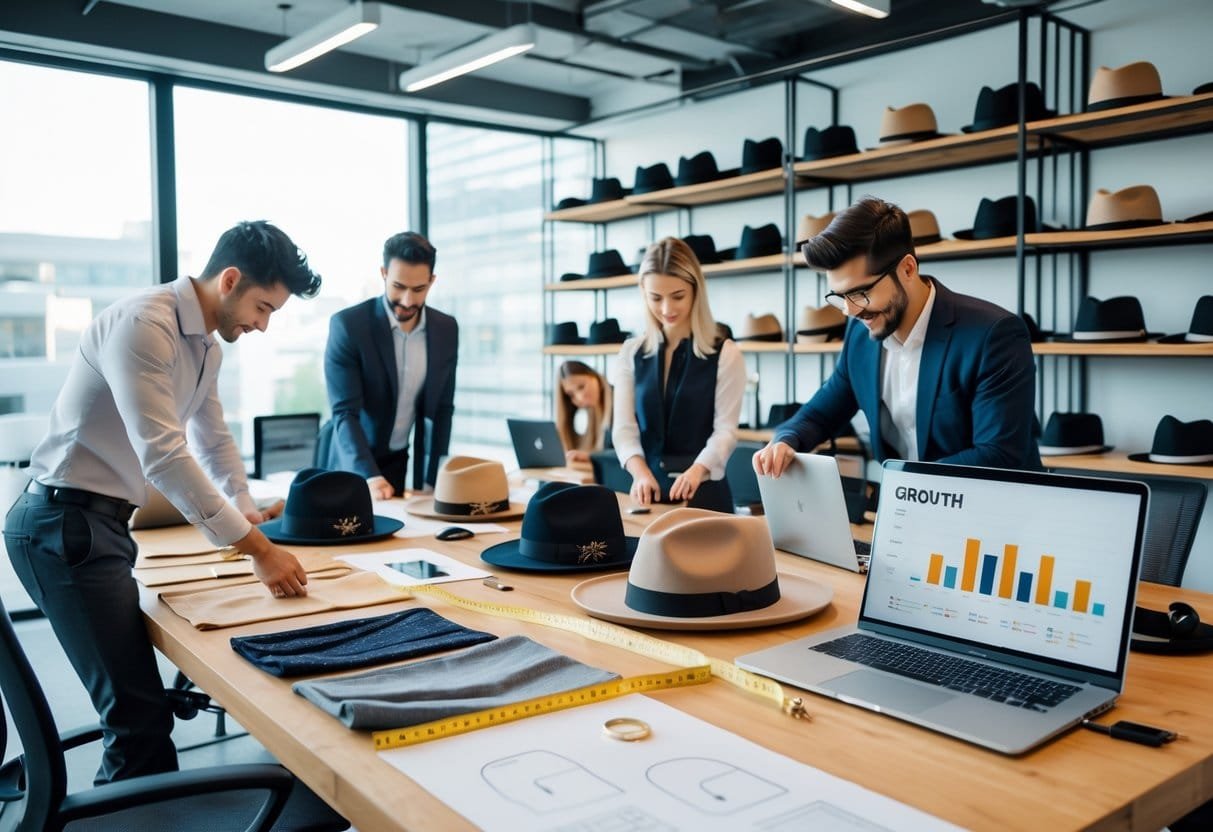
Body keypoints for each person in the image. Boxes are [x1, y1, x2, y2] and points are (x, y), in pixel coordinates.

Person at [3, 220, 321, 784]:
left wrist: (244, 505)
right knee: (139, 721)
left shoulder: (207, 349)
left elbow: (213, 438)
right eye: (264, 307)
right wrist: (257, 549)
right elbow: (166, 456)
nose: (264, 325)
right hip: (61, 525)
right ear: (230, 280)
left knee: (141, 711)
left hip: (96, 525)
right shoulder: (143, 324)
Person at [753, 197, 1040, 479]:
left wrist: (902, 482)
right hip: (907, 510)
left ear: (907, 269)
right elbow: (820, 414)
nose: (850, 311)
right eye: (839, 296)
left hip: (991, 514)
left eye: (860, 293)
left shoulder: (994, 335)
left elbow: (998, 455)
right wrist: (785, 441)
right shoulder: (860, 334)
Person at [613, 237, 746, 511]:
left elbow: (726, 432)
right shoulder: (630, 352)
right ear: (643, 292)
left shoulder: (725, 354)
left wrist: (697, 470)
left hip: (706, 497)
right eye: (655, 298)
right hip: (648, 497)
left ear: (696, 291)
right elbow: (624, 430)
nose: (666, 309)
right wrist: (640, 474)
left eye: (677, 296)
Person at [324, 232, 458, 499]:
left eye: (418, 289)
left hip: (399, 461)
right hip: (351, 463)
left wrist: (432, 481)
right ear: (384, 273)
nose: (407, 301)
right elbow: (344, 413)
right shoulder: (349, 326)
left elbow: (442, 409)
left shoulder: (446, 329)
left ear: (432, 281)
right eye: (399, 286)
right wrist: (370, 475)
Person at [555, 360, 612, 464]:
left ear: (595, 376)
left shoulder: (620, 403)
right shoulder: (592, 411)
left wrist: (591, 457)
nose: (579, 398)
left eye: (581, 387)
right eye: (571, 395)